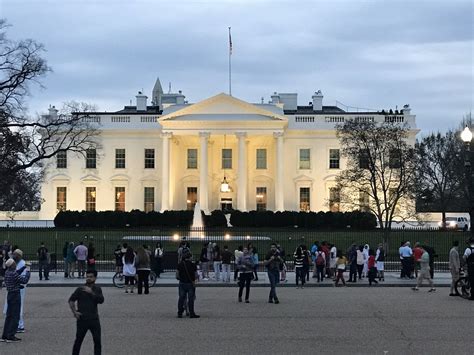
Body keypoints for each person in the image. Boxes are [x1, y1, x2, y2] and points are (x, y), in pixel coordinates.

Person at [69, 269, 104, 355]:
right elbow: (71, 300)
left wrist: (91, 292)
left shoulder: (97, 289)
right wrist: (74, 312)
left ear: (95, 278)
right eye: (87, 276)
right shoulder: (80, 289)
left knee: (97, 341)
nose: (88, 278)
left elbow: (101, 300)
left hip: (94, 319)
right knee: (78, 341)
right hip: (82, 319)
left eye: (91, 277)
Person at [1, 258, 30, 342]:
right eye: (14, 264)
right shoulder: (13, 274)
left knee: (9, 315)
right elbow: (24, 280)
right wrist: (28, 271)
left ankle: (5, 335)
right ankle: (11, 336)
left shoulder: (7, 272)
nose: (15, 265)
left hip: (10, 294)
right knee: (15, 316)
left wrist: (24, 267)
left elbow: (17, 272)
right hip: (15, 295)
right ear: (12, 265)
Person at [176, 248, 199, 318]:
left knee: (181, 298)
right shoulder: (193, 265)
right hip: (190, 283)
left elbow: (177, 275)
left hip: (182, 282)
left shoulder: (180, 264)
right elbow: (196, 275)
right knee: (191, 299)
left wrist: (181, 278)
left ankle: (180, 312)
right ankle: (191, 313)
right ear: (190, 257)